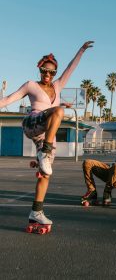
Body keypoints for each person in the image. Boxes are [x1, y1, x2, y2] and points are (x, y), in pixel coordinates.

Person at [0, 41, 94, 229]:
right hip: (32, 123)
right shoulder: (31, 85)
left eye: (51, 72)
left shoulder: (58, 86)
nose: (47, 75)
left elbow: (70, 68)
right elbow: (9, 99)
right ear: (39, 70)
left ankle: (36, 212)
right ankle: (44, 152)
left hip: (45, 135)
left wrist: (81, 50)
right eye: (44, 71)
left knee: (46, 173)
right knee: (58, 111)